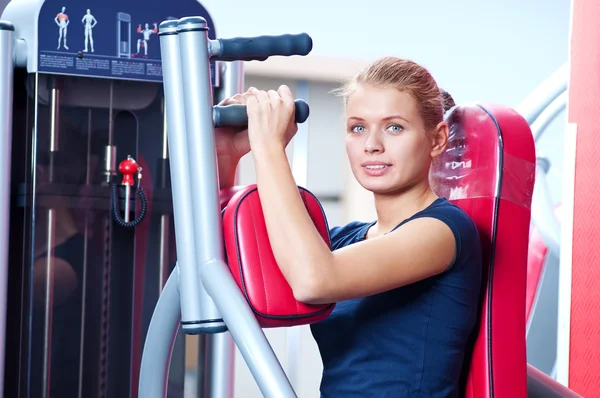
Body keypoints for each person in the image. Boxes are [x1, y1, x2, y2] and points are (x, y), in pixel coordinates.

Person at [215, 56, 483, 397]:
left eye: (394, 127)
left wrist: (268, 147)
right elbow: (218, 269)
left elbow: (315, 280)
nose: (372, 144)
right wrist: (228, 155)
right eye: (358, 127)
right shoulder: (343, 242)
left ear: (437, 139)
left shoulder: (443, 231)